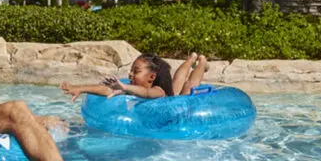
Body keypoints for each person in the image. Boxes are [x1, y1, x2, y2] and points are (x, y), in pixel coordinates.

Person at [60, 53, 209, 101]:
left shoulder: (159, 91)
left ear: (151, 77)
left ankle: (201, 61)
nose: (130, 74)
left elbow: (146, 93)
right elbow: (106, 90)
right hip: (170, 97)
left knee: (189, 86)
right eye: (131, 70)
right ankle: (191, 59)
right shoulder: (132, 89)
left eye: (136, 71)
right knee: (175, 83)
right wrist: (79, 88)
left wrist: (125, 87)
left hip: (177, 106)